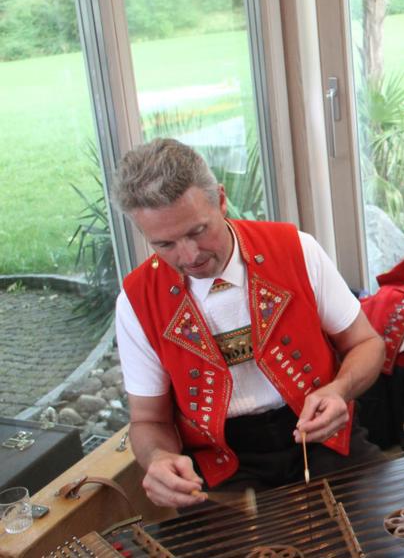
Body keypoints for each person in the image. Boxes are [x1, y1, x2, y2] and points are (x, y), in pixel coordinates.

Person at [114, 138, 385, 508]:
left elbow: (366, 344)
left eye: (197, 231)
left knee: (385, 531)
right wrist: (157, 458)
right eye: (165, 244)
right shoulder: (137, 299)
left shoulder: (295, 249)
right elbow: (148, 421)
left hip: (320, 432)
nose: (190, 256)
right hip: (220, 461)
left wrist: (340, 390)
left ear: (221, 200)